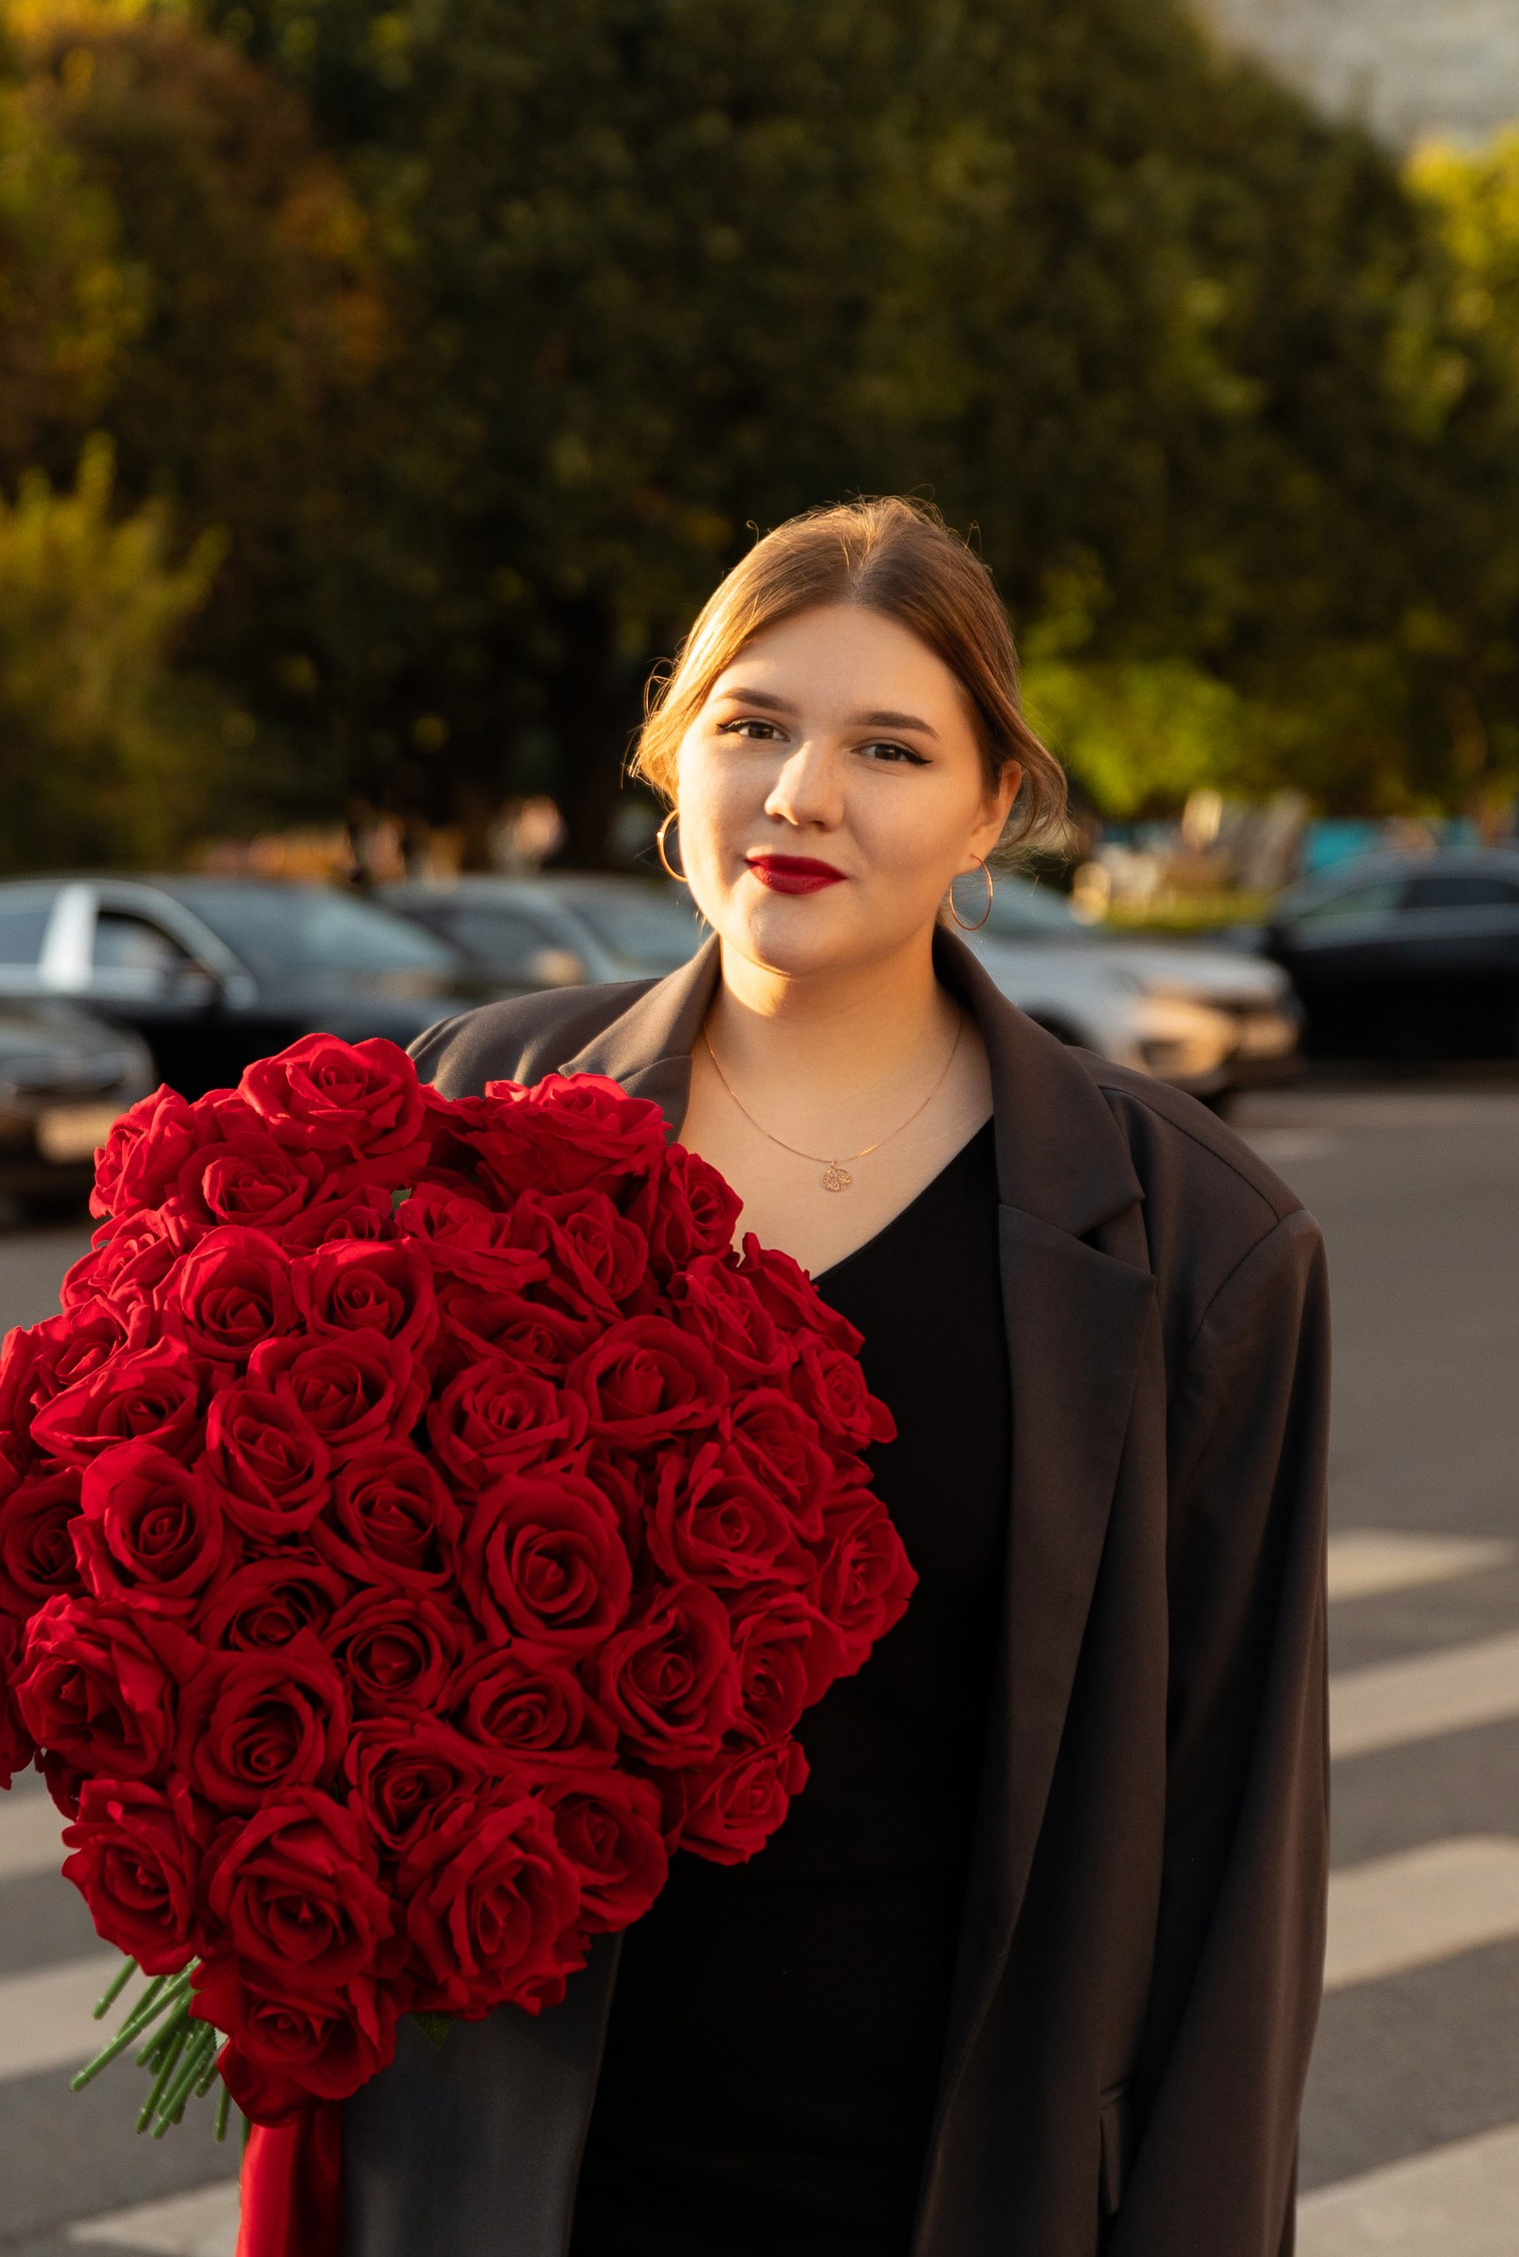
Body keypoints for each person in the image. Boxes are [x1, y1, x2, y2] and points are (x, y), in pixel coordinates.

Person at [329, 499, 1328, 2257]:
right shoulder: (480, 1118)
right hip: (518, 2171)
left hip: (947, 2176)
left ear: (990, 808)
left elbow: (1240, 1853)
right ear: (673, 761)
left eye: (888, 746)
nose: (801, 796)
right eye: (752, 726)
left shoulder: (1199, 1241)